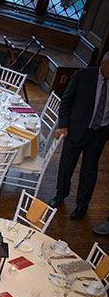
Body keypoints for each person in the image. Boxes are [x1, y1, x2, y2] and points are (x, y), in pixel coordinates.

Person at [51, 51, 109, 224]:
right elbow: (66, 102)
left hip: (100, 133)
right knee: (67, 165)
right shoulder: (83, 76)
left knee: (89, 171)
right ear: (103, 63)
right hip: (76, 130)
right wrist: (63, 125)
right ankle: (60, 195)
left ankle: (82, 206)